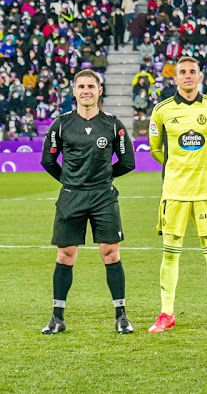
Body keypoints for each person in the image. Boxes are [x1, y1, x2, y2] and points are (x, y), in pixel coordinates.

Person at [40, 69, 135, 334]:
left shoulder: (113, 124)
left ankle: (122, 316)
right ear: (74, 91)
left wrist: (103, 178)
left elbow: (128, 162)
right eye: (81, 86)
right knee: (65, 255)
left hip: (103, 196)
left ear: (99, 90)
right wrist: (70, 181)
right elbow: (47, 160)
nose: (86, 91)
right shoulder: (61, 124)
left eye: (91, 86)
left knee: (111, 253)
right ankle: (57, 318)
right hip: (71, 197)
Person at [147, 57, 207, 334]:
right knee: (170, 254)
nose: (187, 76)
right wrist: (176, 168)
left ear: (200, 77)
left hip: (206, 191)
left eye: (192, 72)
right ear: (175, 78)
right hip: (174, 192)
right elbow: (156, 149)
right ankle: (166, 313)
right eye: (182, 72)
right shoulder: (161, 111)